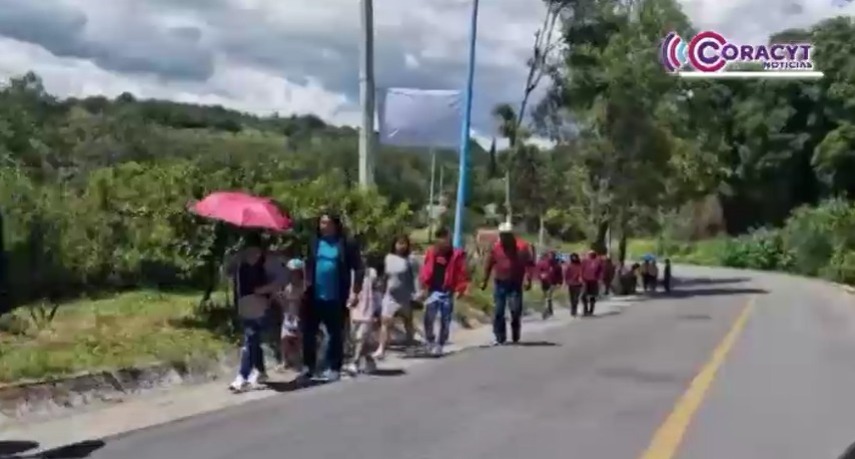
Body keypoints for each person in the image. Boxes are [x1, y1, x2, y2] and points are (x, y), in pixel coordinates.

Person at [301, 212, 364, 383]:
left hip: (336, 295)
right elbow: (308, 264)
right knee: (309, 333)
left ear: (336, 225)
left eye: (328, 223)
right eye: (322, 223)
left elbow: (359, 268)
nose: (324, 226)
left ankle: (334, 367)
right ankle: (308, 367)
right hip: (314, 295)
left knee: (335, 333)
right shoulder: (314, 242)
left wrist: (355, 292)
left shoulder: (345, 243)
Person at [224, 234, 286, 392]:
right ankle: (260, 371)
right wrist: (233, 259)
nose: (252, 253)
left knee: (249, 337)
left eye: (255, 250)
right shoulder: (239, 261)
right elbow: (227, 273)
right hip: (244, 305)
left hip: (261, 305)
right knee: (253, 339)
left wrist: (264, 289)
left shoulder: (268, 261)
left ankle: (242, 375)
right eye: (249, 250)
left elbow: (282, 279)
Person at [418, 227, 468, 356]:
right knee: (429, 317)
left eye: (446, 238)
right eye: (440, 238)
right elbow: (425, 270)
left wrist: (461, 288)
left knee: (445, 320)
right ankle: (430, 341)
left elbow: (461, 272)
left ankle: (440, 344)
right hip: (433, 290)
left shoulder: (456, 254)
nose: (444, 241)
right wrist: (423, 286)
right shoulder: (431, 253)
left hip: (447, 291)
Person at [481, 222, 533, 345]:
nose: (504, 238)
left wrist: (528, 278)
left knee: (515, 310)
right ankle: (500, 336)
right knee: (499, 311)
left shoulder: (521, 247)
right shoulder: (496, 247)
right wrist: (484, 280)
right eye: (502, 235)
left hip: (515, 283)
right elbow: (488, 263)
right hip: (500, 283)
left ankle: (515, 333)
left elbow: (529, 265)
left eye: (507, 235)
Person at [374, 235, 420, 360]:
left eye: (404, 243)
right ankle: (381, 349)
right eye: (399, 243)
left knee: (407, 322)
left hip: (405, 296)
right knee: (385, 322)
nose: (401, 246)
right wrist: (381, 288)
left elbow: (415, 277)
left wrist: (417, 293)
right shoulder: (388, 258)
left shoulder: (410, 260)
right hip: (390, 296)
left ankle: (410, 346)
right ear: (394, 244)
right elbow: (385, 275)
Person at [346, 257, 382, 375]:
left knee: (361, 337)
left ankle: (354, 362)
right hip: (353, 308)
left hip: (368, 309)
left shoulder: (371, 273)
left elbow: (376, 290)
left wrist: (378, 309)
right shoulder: (350, 272)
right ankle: (370, 361)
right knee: (356, 338)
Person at [277, 258, 305, 370]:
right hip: (288, 315)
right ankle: (285, 361)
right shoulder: (287, 287)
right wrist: (280, 299)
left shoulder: (304, 286)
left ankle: (300, 362)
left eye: (295, 272)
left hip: (300, 315)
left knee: (299, 339)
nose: (293, 274)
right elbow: (284, 303)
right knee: (284, 338)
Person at [536, 251, 563, 319]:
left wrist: (560, 282)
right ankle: (548, 310)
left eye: (552, 256)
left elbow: (559, 274)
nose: (551, 257)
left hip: (552, 282)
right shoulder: (543, 263)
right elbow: (538, 271)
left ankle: (546, 311)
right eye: (549, 256)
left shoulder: (556, 265)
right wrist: (541, 276)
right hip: (544, 281)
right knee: (546, 296)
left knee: (548, 296)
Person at [580, 250, 603, 317]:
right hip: (586, 280)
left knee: (592, 296)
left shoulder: (598, 262)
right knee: (583, 296)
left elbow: (600, 271)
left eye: (592, 254)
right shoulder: (585, 261)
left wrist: (599, 279)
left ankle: (591, 310)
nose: (591, 255)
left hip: (594, 281)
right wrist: (581, 277)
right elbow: (581, 269)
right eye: (590, 254)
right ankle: (585, 310)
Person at [564, 252, 583, 317]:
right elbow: (566, 274)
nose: (574, 258)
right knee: (572, 298)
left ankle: (574, 309)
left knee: (576, 298)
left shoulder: (580, 265)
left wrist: (581, 278)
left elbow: (581, 272)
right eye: (572, 257)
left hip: (578, 283)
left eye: (575, 257)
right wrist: (566, 282)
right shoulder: (569, 265)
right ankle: (573, 309)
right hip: (571, 283)